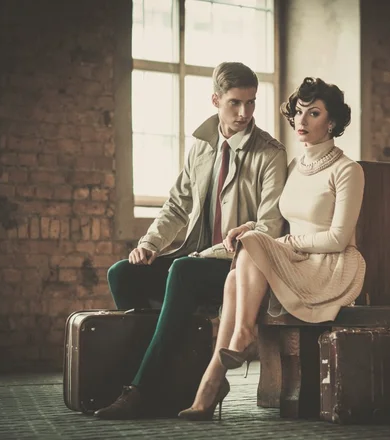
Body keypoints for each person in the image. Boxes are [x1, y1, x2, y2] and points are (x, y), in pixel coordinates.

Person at [94, 62, 288, 419]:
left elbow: (270, 226)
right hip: (194, 263)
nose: (245, 112)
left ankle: (141, 389)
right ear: (215, 100)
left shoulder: (271, 154)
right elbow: (178, 204)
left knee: (183, 270)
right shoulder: (201, 146)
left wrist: (208, 254)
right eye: (235, 103)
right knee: (122, 273)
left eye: (251, 102)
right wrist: (151, 243)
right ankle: (170, 375)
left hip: (239, 271)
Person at [178, 77, 366, 421]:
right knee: (236, 276)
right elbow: (280, 222)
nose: (302, 122)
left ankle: (231, 353)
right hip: (295, 259)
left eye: (313, 114)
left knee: (249, 251)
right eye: (298, 113)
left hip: (329, 267)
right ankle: (215, 379)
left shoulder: (347, 170)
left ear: (333, 122)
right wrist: (250, 227)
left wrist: (284, 243)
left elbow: (339, 238)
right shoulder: (295, 166)